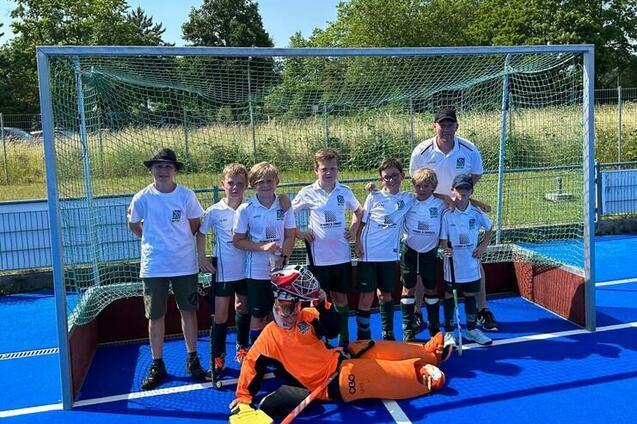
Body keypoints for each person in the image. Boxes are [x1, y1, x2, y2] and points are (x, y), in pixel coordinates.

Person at [229, 264, 449, 422]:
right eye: (288, 307)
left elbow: (333, 329)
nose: (293, 312)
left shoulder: (306, 316)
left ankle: (429, 353)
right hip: (329, 382)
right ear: (277, 305)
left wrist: (322, 304)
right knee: (374, 373)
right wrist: (244, 399)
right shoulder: (269, 337)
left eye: (296, 306)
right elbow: (251, 364)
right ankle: (420, 375)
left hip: (339, 357)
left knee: (372, 346)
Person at [409, 106, 498, 332]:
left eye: (450, 125)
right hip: (431, 209)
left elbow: (476, 174)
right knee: (422, 260)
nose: (446, 129)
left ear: (456, 126)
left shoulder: (469, 149)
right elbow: (417, 181)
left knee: (473, 258)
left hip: (458, 211)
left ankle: (482, 309)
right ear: (434, 126)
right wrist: (443, 198)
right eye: (442, 125)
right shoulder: (422, 151)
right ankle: (417, 312)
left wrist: (461, 197)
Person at [127, 148, 206, 390]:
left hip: (184, 264)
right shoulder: (142, 198)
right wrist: (154, 241)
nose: (163, 171)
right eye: (158, 166)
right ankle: (157, 363)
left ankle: (192, 358)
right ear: (151, 169)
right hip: (154, 266)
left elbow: (195, 224)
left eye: (168, 166)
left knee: (188, 311)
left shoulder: (186, 195)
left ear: (175, 170)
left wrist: (177, 243)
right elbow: (134, 225)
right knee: (155, 315)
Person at [292, 148, 364, 348]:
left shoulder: (344, 191)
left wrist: (354, 229)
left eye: (333, 168)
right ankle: (320, 341)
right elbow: (287, 212)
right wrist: (298, 233)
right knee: (318, 298)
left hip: (341, 255)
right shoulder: (307, 192)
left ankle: (344, 339)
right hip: (319, 257)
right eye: (324, 169)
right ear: (316, 170)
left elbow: (359, 211)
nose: (329, 172)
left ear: (337, 169)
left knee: (340, 298)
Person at [196, 163, 252, 378]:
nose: (235, 187)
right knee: (220, 314)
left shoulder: (250, 207)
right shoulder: (214, 211)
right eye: (231, 183)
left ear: (246, 185)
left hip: (247, 268)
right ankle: (218, 358)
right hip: (224, 269)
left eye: (240, 184)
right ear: (223, 184)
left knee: (243, 307)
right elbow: (201, 233)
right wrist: (201, 257)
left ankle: (242, 348)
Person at [233, 162, 296, 345]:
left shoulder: (284, 205)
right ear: (252, 184)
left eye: (269, 181)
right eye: (260, 182)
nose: (265, 185)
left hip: (280, 271)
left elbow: (290, 235)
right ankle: (258, 352)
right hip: (256, 272)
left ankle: (277, 350)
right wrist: (262, 247)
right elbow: (237, 241)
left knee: (279, 313)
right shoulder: (245, 209)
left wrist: (283, 258)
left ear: (277, 182)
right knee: (259, 315)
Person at [355, 158, 415, 341]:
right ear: (381, 180)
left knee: (385, 294)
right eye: (386, 177)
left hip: (389, 255)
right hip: (368, 254)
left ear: (402, 176)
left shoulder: (409, 198)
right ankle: (363, 336)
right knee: (366, 297)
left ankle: (387, 333)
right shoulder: (374, 197)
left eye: (394, 175)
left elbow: (432, 194)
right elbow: (361, 221)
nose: (391, 180)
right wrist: (357, 243)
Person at [440, 174, 494, 347]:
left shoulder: (476, 212)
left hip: (471, 264)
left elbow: (489, 228)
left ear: (471, 191)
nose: (462, 193)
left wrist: (483, 246)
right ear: (452, 190)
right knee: (449, 295)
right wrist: (445, 247)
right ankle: (449, 332)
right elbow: (443, 238)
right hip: (453, 264)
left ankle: (472, 329)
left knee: (471, 295)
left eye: (466, 189)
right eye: (459, 189)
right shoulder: (447, 213)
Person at [400, 168, 447, 342]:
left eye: (426, 186)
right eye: (418, 186)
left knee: (431, 288)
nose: (421, 189)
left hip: (429, 252)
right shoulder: (408, 201)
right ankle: (408, 328)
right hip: (409, 251)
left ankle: (434, 328)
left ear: (433, 186)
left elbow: (459, 199)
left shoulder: (441, 203)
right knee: (408, 288)